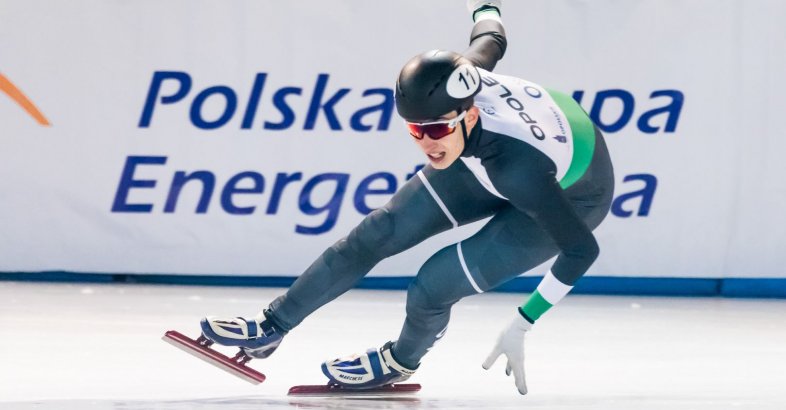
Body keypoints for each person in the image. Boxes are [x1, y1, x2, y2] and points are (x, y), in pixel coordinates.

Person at [199, 0, 614, 395]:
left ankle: (401, 361)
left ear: (468, 114)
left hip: (571, 193)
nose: (426, 143)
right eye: (415, 130)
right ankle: (271, 326)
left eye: (435, 130)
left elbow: (581, 250)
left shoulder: (518, 171)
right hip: (495, 150)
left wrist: (524, 322)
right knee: (378, 231)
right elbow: (492, 30)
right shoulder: (464, 76)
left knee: (433, 285)